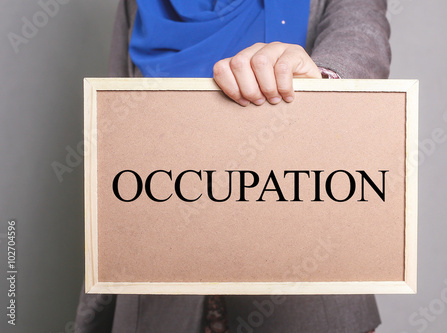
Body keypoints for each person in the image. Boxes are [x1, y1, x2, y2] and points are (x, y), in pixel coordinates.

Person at [75, 0, 391, 332]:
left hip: (300, 266)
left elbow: (361, 34)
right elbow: (117, 127)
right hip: (163, 265)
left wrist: (317, 79)